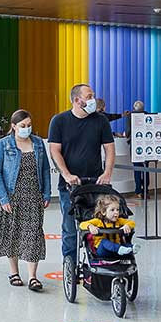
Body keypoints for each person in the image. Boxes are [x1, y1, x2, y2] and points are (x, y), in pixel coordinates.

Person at [0, 109, 52, 292]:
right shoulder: (4, 144)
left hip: (34, 196)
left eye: (29, 125)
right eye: (22, 126)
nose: (26, 129)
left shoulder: (38, 144)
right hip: (12, 197)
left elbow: (45, 170)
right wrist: (3, 198)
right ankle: (14, 273)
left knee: (34, 234)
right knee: (12, 234)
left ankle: (33, 277)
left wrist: (47, 193)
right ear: (13, 126)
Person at [48, 84, 115, 261]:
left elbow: (109, 148)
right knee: (70, 228)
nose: (93, 99)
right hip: (70, 186)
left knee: (100, 224)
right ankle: (70, 263)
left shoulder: (101, 121)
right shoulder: (59, 121)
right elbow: (54, 150)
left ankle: (98, 263)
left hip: (96, 183)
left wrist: (107, 173)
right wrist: (66, 174)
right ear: (78, 100)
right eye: (90, 96)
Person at [78, 194, 136, 259]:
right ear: (103, 212)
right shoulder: (98, 221)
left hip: (117, 248)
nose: (116, 212)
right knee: (104, 242)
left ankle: (132, 248)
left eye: (117, 209)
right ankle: (122, 249)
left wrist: (127, 225)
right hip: (102, 251)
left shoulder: (119, 221)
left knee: (125, 246)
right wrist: (90, 226)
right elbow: (82, 224)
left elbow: (132, 223)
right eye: (112, 210)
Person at [128, 100, 147, 197]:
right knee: (146, 168)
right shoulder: (147, 115)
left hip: (136, 146)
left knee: (137, 168)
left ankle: (138, 191)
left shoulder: (131, 116)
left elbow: (128, 132)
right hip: (147, 145)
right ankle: (146, 190)